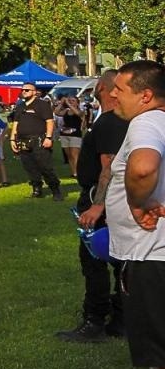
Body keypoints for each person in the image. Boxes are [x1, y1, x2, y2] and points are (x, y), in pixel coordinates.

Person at [103, 61, 165, 369]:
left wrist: (137, 202)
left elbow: (142, 169)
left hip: (154, 254)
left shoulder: (146, 123)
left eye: (119, 89)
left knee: (161, 349)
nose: (111, 94)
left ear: (145, 95)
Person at [58, 70, 126, 343]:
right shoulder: (118, 121)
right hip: (115, 198)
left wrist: (98, 205)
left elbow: (108, 167)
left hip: (101, 198)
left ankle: (94, 320)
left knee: (95, 261)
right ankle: (121, 319)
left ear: (102, 88)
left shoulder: (110, 122)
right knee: (122, 262)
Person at [10, 82, 64, 200]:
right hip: (23, 140)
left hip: (39, 140)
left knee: (45, 166)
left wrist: (49, 138)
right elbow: (16, 123)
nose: (24, 92)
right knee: (29, 166)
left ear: (34, 92)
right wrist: (12, 139)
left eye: (27, 90)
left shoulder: (42, 105)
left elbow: (49, 121)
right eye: (23, 90)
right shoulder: (20, 106)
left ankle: (56, 190)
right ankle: (37, 190)